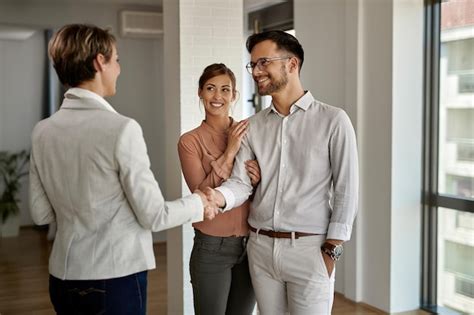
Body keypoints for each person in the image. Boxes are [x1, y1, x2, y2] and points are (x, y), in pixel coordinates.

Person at [28, 24, 218, 315]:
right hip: (113, 280)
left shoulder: (42, 131)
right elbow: (154, 215)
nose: (118, 68)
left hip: (63, 278)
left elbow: (41, 213)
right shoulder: (121, 129)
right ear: (99, 62)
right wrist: (200, 203)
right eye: (116, 59)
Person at [206, 30, 359, 314]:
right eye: (253, 65)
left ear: (292, 64)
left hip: (309, 250)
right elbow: (241, 183)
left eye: (264, 62)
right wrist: (218, 197)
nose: (256, 71)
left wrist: (332, 250)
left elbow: (346, 189)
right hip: (261, 248)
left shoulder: (333, 121)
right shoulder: (252, 126)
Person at [178, 63, 259, 315]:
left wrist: (260, 179)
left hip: (253, 244)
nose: (217, 96)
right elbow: (201, 198)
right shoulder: (189, 141)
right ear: (200, 92)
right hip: (212, 247)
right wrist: (230, 150)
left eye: (225, 89)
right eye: (211, 88)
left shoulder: (251, 132)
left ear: (234, 95)